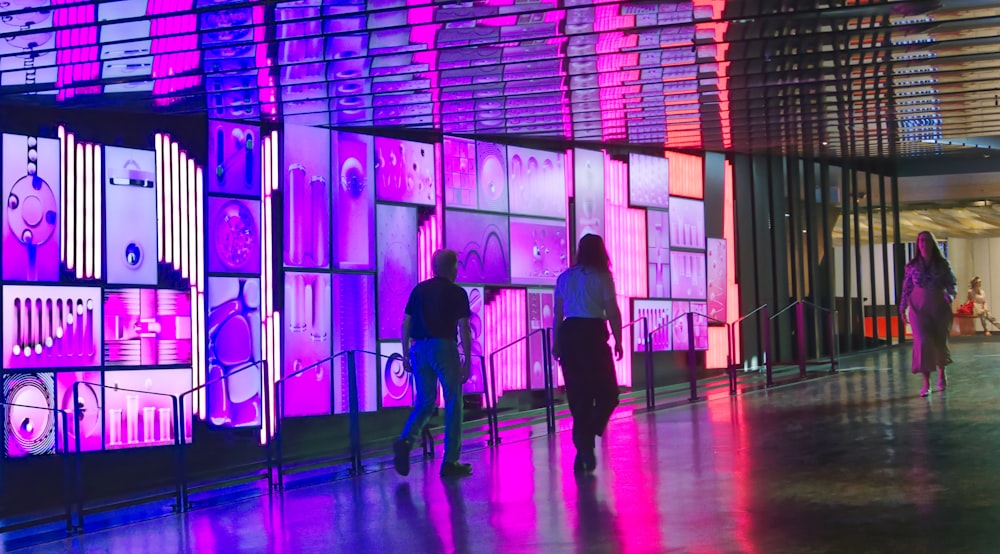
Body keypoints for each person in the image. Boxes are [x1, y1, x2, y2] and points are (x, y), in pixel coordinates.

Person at [393, 249, 473, 478]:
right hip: (443, 346)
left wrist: (406, 353)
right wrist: (466, 360)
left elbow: (405, 324)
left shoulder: (419, 290)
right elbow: (463, 327)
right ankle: (450, 461)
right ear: (452, 268)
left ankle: (406, 440)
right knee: (453, 400)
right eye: (457, 264)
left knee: (426, 401)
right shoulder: (457, 293)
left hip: (419, 348)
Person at [553, 234, 623, 474]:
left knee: (579, 396)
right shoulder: (603, 277)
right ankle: (587, 438)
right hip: (593, 334)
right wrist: (619, 339)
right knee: (609, 394)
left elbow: (557, 315)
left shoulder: (565, 277)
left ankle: (583, 445)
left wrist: (556, 342)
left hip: (569, 334)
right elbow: (612, 311)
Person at [899, 231, 957, 397]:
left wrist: (951, 295)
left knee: (939, 343)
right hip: (918, 307)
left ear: (932, 243)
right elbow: (906, 287)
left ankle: (941, 373)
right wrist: (902, 308)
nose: (923, 244)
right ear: (918, 244)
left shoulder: (943, 264)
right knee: (923, 342)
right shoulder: (912, 266)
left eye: (926, 240)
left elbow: (952, 283)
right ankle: (926, 383)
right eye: (920, 241)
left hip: (939, 306)